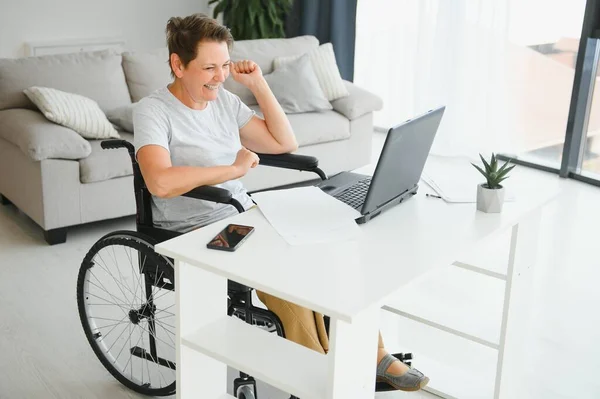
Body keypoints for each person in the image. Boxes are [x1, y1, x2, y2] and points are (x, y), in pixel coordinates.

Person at [133, 13, 429, 392]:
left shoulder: (222, 100)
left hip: (241, 215)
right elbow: (159, 181)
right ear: (178, 64)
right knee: (284, 276)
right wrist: (231, 169)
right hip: (192, 231)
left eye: (224, 65)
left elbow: (284, 143)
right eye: (208, 67)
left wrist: (257, 83)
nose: (220, 76)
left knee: (325, 251)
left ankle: (370, 355)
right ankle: (323, 375)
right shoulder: (153, 111)